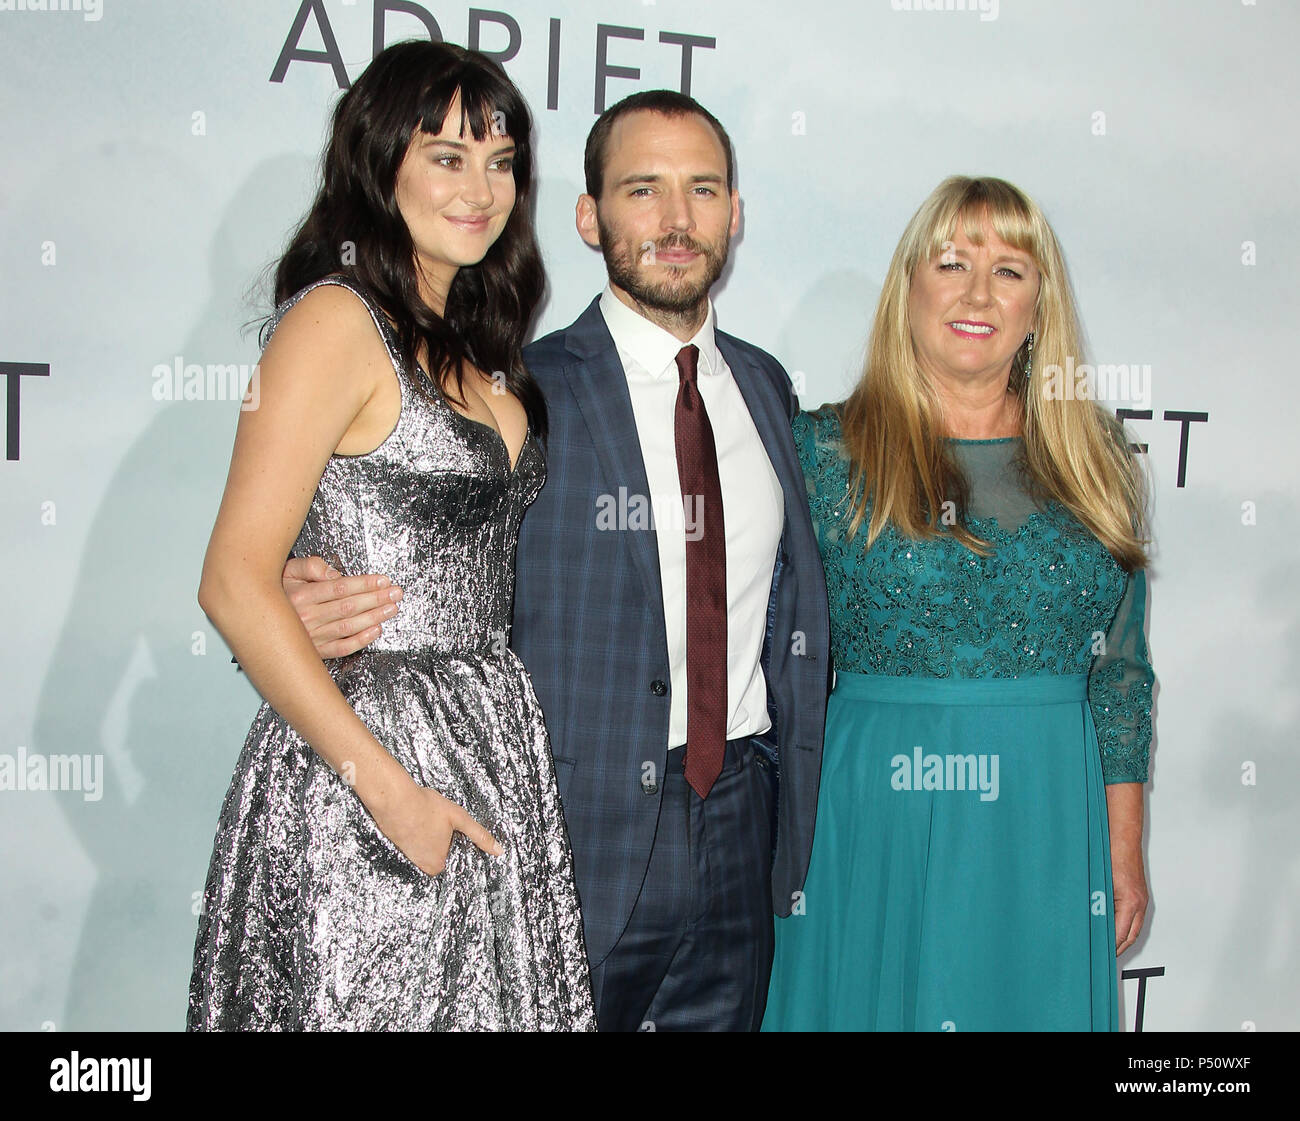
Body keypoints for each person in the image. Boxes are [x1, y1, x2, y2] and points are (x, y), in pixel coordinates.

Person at [284, 91, 831, 1031]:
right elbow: (411, 533)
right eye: (641, 190)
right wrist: (306, 580)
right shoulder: (517, 390)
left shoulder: (769, 389)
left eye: (702, 189)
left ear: (736, 214)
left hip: (742, 822)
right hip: (564, 835)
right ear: (589, 217)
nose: (674, 219)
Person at [187, 40, 595, 1031]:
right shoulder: (333, 322)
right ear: (380, 162)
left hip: (490, 735)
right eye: (447, 155)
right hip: (365, 758)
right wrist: (386, 788)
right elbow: (233, 581)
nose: (482, 188)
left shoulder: (478, 341)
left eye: (500, 160)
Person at [762, 176, 1153, 1031]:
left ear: (1039, 305)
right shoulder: (823, 450)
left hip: (1046, 815)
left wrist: (1123, 848)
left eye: (1010, 270)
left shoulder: (1098, 458)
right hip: (874, 810)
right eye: (952, 263)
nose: (979, 293)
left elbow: (1121, 675)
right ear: (909, 290)